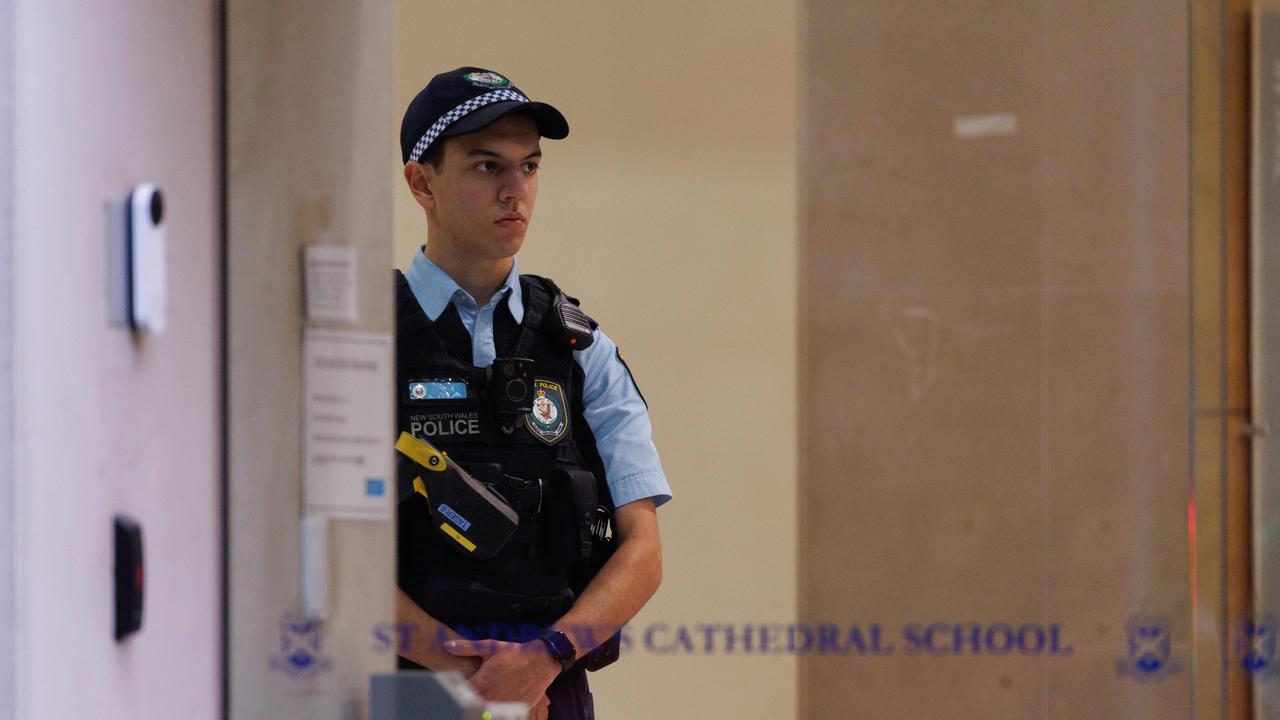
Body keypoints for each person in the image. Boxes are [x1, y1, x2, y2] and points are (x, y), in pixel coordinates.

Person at [393, 67, 671, 720]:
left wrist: (542, 659)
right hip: (409, 680)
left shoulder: (581, 349)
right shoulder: (369, 344)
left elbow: (644, 551)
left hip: (552, 680)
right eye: (487, 166)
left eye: (530, 166)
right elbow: (332, 547)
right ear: (421, 182)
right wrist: (458, 664)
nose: (515, 190)